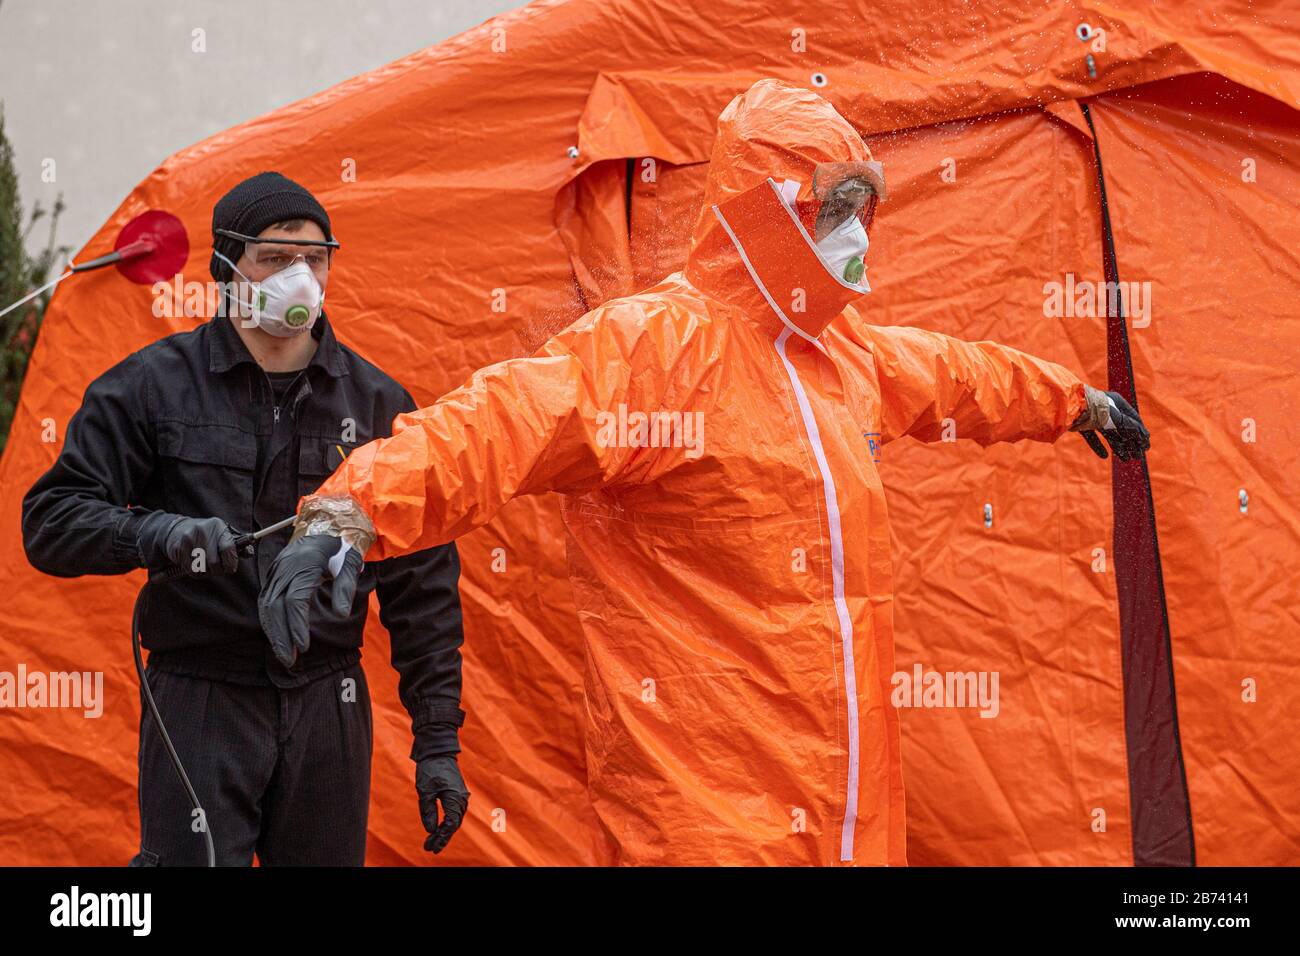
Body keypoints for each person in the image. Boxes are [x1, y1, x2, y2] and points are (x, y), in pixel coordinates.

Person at [258, 81, 1149, 865]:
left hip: (848, 801)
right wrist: (346, 512)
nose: (854, 237)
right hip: (704, 808)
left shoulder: (839, 356)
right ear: (772, 206)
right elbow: (500, 423)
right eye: (835, 208)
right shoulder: (655, 347)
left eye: (861, 213)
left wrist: (1075, 401)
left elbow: (960, 377)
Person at [22, 172, 469, 866]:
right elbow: (49, 521)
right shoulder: (152, 386)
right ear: (226, 267)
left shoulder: (378, 403)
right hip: (200, 700)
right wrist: (158, 533)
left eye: (315, 258)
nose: (299, 276)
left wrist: (438, 740)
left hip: (329, 698)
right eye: (275, 257)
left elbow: (424, 581)